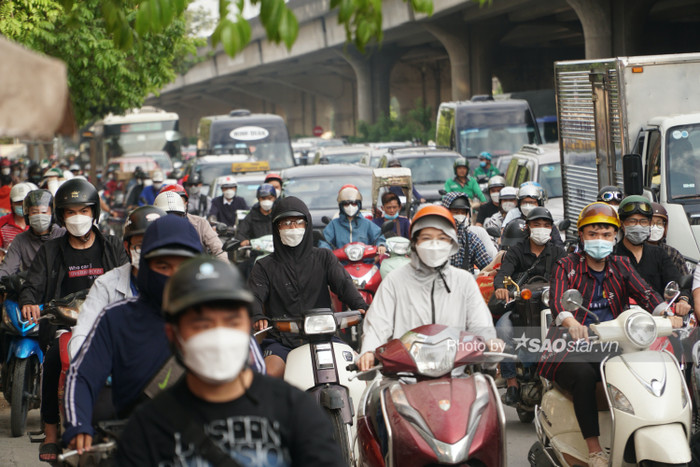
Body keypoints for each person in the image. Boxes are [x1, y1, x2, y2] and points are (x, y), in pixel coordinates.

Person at [114, 257, 345, 466]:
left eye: (231, 321)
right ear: (173, 335)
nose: (218, 336)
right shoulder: (147, 429)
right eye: (202, 325)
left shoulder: (297, 412)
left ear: (247, 328)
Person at [537, 202, 672, 467]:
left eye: (607, 235)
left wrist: (667, 312)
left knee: (643, 371)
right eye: (593, 234)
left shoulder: (621, 264)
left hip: (614, 344)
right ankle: (595, 449)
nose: (600, 240)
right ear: (582, 236)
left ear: (615, 237)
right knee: (585, 376)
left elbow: (646, 294)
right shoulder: (567, 265)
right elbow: (558, 302)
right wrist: (571, 321)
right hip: (569, 346)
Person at [62, 215, 204, 452]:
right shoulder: (116, 318)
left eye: (183, 265)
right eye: (162, 266)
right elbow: (82, 375)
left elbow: (254, 377)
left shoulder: (219, 314)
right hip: (136, 442)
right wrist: (78, 425)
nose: (172, 276)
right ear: (145, 265)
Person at [19, 179, 129, 463]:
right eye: (70, 211)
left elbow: (128, 277)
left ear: (94, 213)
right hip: (64, 325)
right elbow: (33, 283)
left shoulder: (113, 245)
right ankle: (52, 431)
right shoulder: (51, 251)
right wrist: (29, 300)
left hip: (107, 324)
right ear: (61, 216)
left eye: (83, 210)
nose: (77, 217)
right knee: (54, 358)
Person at [357, 205, 500, 371]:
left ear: (451, 243)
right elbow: (378, 325)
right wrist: (368, 351)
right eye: (426, 238)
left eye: (441, 238)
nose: (434, 244)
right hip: (404, 379)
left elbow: (480, 323)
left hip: (455, 376)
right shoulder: (395, 281)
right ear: (415, 242)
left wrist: (489, 343)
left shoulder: (464, 281)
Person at [249, 197, 367, 378]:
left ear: (307, 224)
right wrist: (257, 315)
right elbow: (255, 295)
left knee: (357, 375)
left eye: (298, 222)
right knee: (269, 376)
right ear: (276, 227)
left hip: (325, 335)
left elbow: (343, 284)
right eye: (286, 223)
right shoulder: (264, 266)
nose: (293, 228)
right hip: (282, 339)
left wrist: (360, 306)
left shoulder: (324, 257)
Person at [66, 206, 166, 359]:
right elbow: (83, 332)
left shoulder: (183, 285)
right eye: (140, 245)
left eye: (156, 245)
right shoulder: (106, 285)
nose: (149, 252)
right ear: (127, 247)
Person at [493, 207, 566, 404]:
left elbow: (570, 276)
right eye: (537, 225)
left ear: (551, 229)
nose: (541, 229)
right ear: (528, 227)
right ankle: (511, 383)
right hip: (521, 308)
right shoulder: (516, 251)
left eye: (546, 225)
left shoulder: (559, 252)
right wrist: (501, 288)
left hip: (552, 309)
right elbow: (502, 275)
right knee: (503, 330)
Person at [614, 196, 690, 304]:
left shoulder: (659, 254)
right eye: (632, 221)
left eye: (643, 222)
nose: (638, 226)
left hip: (658, 316)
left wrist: (683, 300)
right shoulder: (612, 256)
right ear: (622, 224)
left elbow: (678, 283)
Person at [0, 190, 66, 280]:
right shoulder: (20, 240)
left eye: (44, 212)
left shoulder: (63, 234)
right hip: (33, 288)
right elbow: (7, 269)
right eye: (34, 212)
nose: (39, 216)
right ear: (27, 215)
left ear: (52, 214)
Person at [155, 187, 228, 260]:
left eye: (179, 201)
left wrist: (223, 266)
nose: (174, 218)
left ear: (186, 203)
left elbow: (217, 247)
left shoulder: (200, 223)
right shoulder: (153, 226)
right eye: (168, 214)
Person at [319, 184, 386, 254]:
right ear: (341, 206)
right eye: (346, 204)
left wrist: (381, 245)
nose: (350, 206)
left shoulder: (367, 223)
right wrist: (325, 250)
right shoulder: (334, 224)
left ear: (359, 205)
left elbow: (379, 237)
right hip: (340, 263)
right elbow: (325, 241)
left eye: (354, 203)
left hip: (365, 262)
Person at [441, 192, 492, 272]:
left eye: (463, 212)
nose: (460, 215)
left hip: (464, 283)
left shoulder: (471, 239)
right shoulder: (436, 236)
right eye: (456, 212)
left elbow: (487, 264)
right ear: (445, 211)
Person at [502, 182, 565, 247]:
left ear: (539, 203)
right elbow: (504, 248)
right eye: (525, 202)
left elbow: (559, 247)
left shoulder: (547, 225)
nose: (528, 206)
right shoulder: (513, 225)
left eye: (532, 202)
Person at [648, 202, 690, 275]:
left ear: (665, 226)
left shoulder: (673, 254)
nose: (654, 227)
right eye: (651, 223)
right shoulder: (637, 251)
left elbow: (684, 280)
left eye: (659, 223)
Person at [0, 182, 32, 253]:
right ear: (11, 203)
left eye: (24, 202)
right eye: (18, 202)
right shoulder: (2, 223)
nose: (21, 205)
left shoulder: (36, 221)